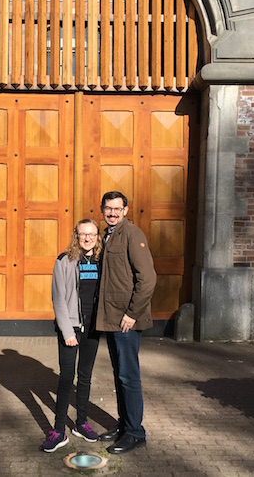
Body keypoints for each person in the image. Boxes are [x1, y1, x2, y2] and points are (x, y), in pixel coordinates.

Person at [95, 191, 157, 454]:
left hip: (126, 320)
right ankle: (124, 425)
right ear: (102, 210)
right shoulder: (107, 235)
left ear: (126, 210)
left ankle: (135, 432)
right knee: (119, 374)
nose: (112, 213)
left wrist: (132, 313)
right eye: (108, 208)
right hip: (111, 319)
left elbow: (148, 278)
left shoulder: (132, 234)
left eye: (117, 209)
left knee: (129, 376)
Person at [40, 218, 103, 453]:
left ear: (97, 237)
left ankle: (81, 423)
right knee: (67, 378)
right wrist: (68, 331)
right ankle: (58, 431)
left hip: (93, 328)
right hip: (71, 329)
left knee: (85, 377)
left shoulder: (100, 261)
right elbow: (58, 299)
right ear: (76, 236)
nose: (87, 238)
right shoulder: (64, 261)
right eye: (82, 234)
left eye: (92, 234)